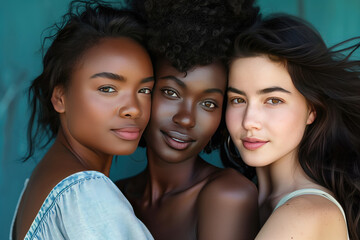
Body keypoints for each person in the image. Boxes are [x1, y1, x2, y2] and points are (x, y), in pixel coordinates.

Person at [10, 1, 155, 239]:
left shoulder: (45, 180)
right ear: (60, 98)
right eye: (108, 89)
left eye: (145, 90)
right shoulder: (85, 193)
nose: (134, 109)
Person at [116, 0, 260, 239]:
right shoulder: (117, 195)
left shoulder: (227, 196)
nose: (186, 119)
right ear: (144, 88)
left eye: (208, 104)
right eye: (171, 92)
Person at [223, 14, 360, 240]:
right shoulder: (243, 200)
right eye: (238, 100)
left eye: (273, 100)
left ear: (312, 110)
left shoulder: (308, 213)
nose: (248, 121)